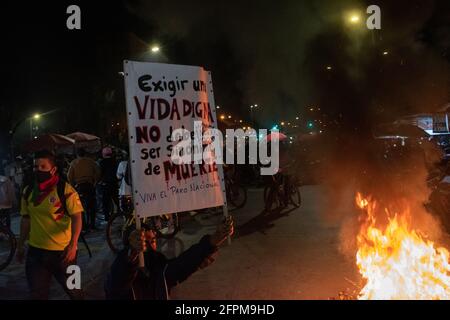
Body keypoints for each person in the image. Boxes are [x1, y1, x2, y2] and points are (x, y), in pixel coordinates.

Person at [104, 216, 234, 300]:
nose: (149, 245)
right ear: (130, 242)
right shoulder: (118, 273)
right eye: (143, 240)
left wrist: (216, 238)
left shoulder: (159, 268)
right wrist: (132, 252)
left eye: (153, 240)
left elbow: (182, 264)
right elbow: (119, 280)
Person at [16, 150, 84, 300]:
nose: (38, 170)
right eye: (36, 167)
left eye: (43, 166)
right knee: (37, 295)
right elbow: (26, 219)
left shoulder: (66, 190)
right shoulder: (28, 191)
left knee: (76, 292)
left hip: (65, 254)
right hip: (36, 255)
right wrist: (20, 245)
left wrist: (73, 245)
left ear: (53, 169)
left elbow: (77, 217)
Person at [68, 148, 101, 230]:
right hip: (90, 185)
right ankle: (92, 225)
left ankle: (83, 226)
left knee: (80, 207)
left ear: (77, 155)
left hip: (79, 187)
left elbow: (69, 176)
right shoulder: (91, 161)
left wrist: (73, 185)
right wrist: (95, 182)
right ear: (85, 154)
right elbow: (98, 172)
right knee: (92, 206)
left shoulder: (74, 163)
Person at [96, 147, 118, 222]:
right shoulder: (115, 161)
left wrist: (99, 181)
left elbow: (100, 173)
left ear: (103, 154)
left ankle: (107, 217)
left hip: (106, 184)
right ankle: (121, 214)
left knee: (105, 201)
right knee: (116, 200)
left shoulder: (102, 162)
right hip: (114, 183)